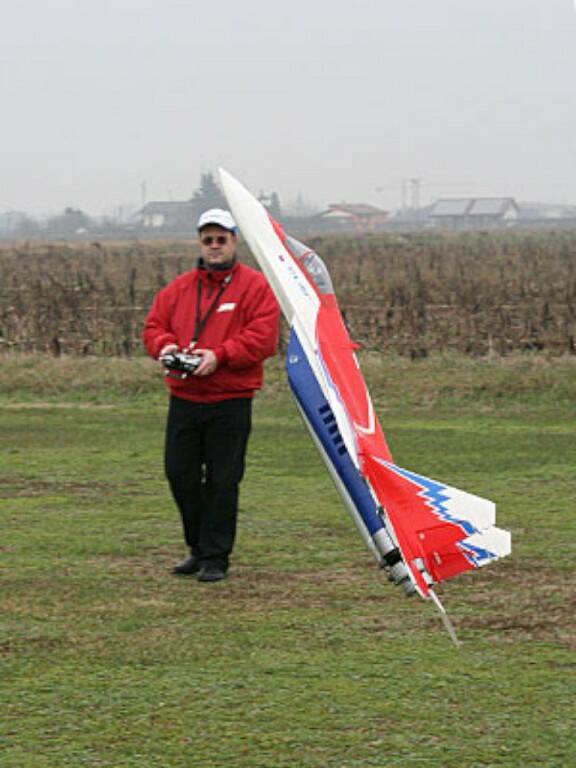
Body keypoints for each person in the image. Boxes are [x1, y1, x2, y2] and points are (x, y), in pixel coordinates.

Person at [143, 209, 280, 583]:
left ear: (235, 241)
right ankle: (197, 547)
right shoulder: (179, 288)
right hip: (185, 398)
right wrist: (167, 348)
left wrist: (219, 356)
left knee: (223, 479)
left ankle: (216, 557)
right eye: (208, 239)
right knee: (180, 474)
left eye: (222, 239)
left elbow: (263, 337)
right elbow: (154, 327)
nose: (214, 246)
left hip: (230, 400)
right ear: (200, 243)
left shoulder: (255, 287)